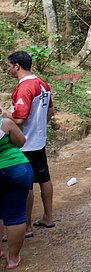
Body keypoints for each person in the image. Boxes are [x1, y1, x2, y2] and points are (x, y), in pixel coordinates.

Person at [2, 51, 55, 237]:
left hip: (25, 143)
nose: (7, 69)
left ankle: (26, 226)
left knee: (27, 185)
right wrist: (40, 126)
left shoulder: (25, 87)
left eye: (8, 65)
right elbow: (51, 111)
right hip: (39, 140)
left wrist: (4, 115)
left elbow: (19, 119)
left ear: (17, 66)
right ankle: (48, 217)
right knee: (44, 178)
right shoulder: (43, 84)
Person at [0, 115, 33, 269]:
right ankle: (13, 258)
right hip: (15, 168)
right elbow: (21, 142)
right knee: (15, 215)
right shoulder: (5, 124)